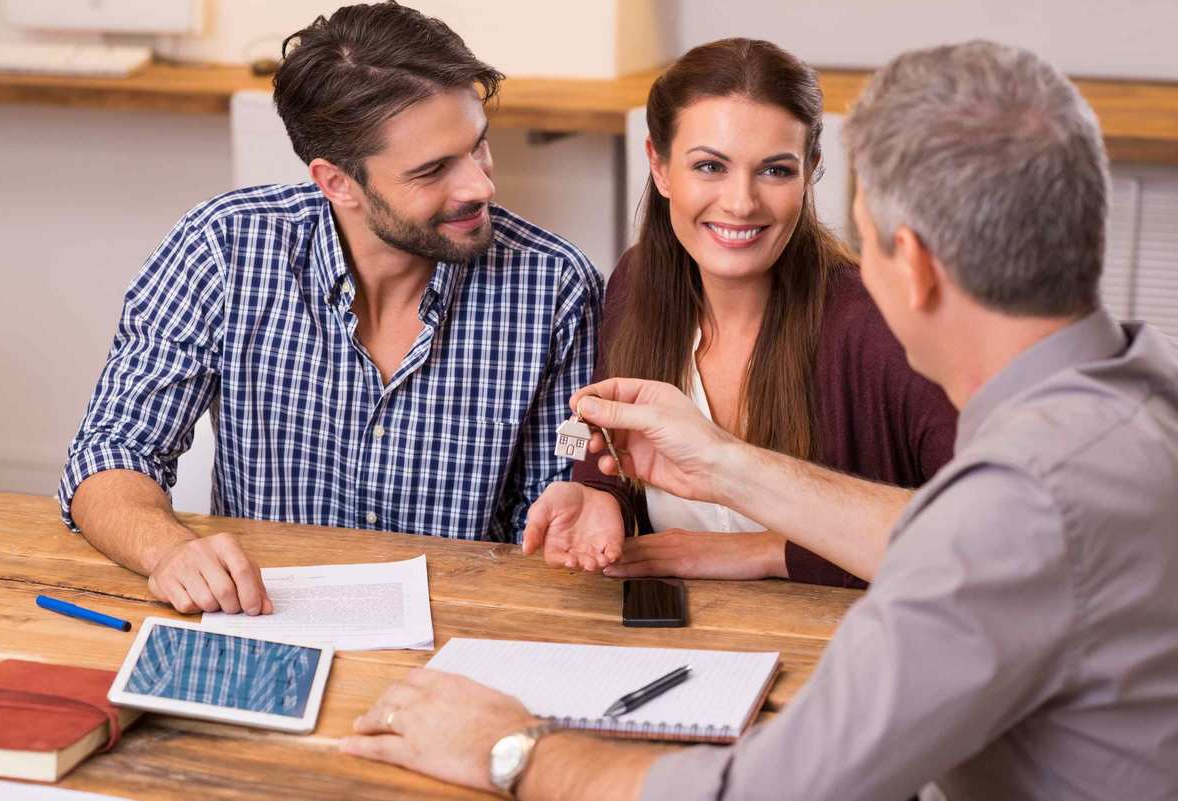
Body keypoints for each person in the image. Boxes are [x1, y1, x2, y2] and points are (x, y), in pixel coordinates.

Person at [340, 41, 1178, 800]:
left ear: (914, 266)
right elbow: (952, 534)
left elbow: (767, 790)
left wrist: (511, 748)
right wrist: (709, 466)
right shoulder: (1141, 395)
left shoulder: (1020, 503)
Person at [58, 3, 602, 617]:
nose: (481, 186)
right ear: (337, 182)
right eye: (432, 171)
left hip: (463, 630)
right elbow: (111, 451)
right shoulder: (225, 248)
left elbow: (557, 516)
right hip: (262, 621)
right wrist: (170, 552)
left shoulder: (555, 286)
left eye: (478, 146)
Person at [522, 39, 956, 589]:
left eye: (775, 171)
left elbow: (988, 542)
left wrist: (769, 553)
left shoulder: (880, 323)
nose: (741, 203)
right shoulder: (635, 284)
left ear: (811, 171)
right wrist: (600, 497)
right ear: (659, 166)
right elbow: (617, 456)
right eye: (710, 166)